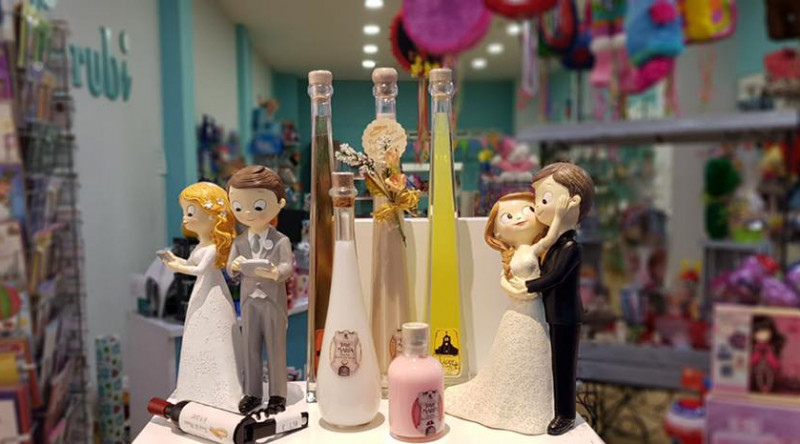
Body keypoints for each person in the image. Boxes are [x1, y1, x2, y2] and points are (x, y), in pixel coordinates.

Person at [445, 191, 571, 435]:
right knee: (511, 356)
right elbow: (505, 279)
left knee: (533, 357)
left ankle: (532, 407)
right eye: (508, 217)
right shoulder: (514, 255)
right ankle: (506, 405)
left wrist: (559, 216)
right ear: (497, 233)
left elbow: (551, 237)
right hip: (518, 312)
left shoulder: (535, 250)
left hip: (534, 312)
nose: (519, 218)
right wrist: (517, 289)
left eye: (527, 210)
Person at [505, 162, 595, 436]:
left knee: (564, 367)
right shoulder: (556, 242)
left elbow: (554, 277)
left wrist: (528, 285)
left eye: (544, 200)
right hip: (553, 313)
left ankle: (566, 414)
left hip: (565, 317)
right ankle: (555, 408)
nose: (538, 208)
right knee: (553, 364)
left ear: (573, 202)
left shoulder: (571, 248)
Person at [160, 182, 244, 412]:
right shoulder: (200, 245)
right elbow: (190, 264)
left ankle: (222, 390)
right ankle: (196, 387)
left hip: (211, 294)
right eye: (184, 212)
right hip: (201, 293)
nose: (185, 218)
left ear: (213, 217)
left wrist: (177, 266)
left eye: (190, 212)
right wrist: (174, 261)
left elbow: (199, 270)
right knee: (198, 335)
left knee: (215, 336)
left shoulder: (212, 248)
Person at [227, 166, 294, 415]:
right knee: (250, 348)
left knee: (276, 348)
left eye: (257, 206)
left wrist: (275, 272)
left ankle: (277, 394)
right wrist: (235, 266)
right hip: (249, 302)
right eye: (238, 207)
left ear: (279, 204)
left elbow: (287, 267)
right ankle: (253, 392)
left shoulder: (281, 240)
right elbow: (230, 269)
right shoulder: (239, 241)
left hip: (272, 302)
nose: (247, 213)